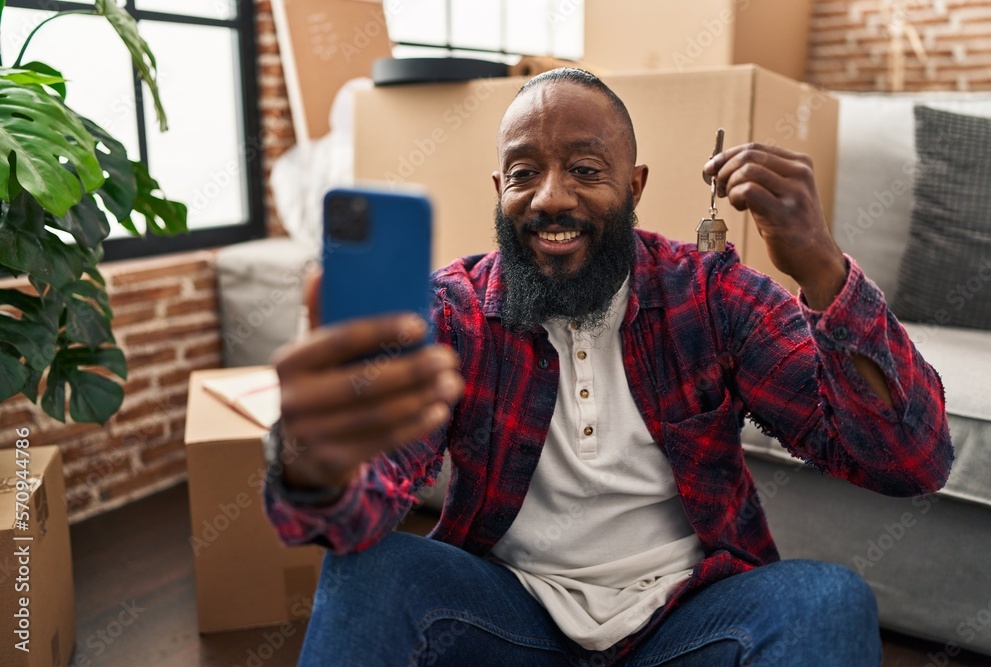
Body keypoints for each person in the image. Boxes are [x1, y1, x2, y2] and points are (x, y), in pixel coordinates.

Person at [262, 68, 953, 666]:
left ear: (634, 185)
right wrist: (314, 462)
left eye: (587, 170)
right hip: (510, 619)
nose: (551, 197)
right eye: (526, 173)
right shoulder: (456, 311)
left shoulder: (709, 296)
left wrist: (825, 270)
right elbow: (357, 499)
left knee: (827, 598)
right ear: (500, 188)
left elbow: (911, 461)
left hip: (688, 622)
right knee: (370, 569)